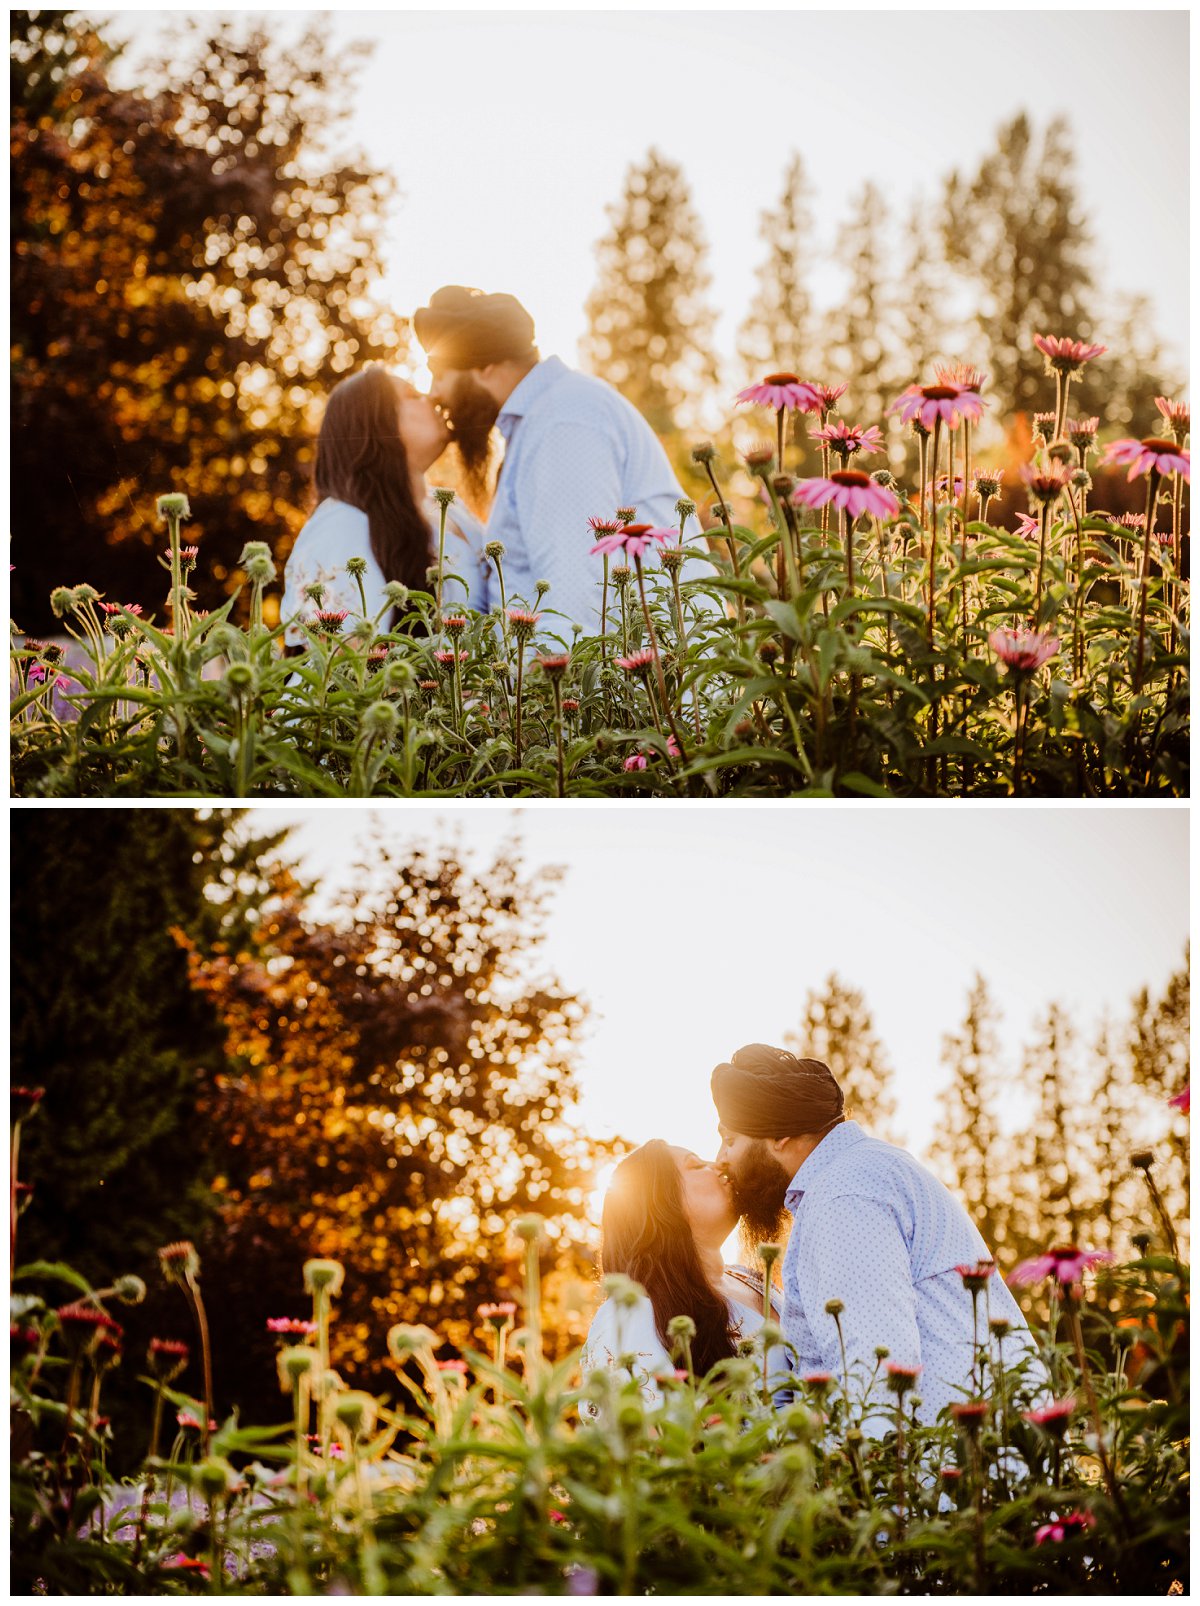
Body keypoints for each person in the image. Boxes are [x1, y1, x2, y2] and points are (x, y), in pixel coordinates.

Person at [712, 1044, 1041, 1435]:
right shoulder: (864, 1172)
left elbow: (876, 1381)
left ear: (779, 1134)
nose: (721, 1158)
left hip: (956, 1476)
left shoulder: (843, 1197)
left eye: (730, 1140)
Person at [413, 285, 704, 637]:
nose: (434, 393)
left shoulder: (561, 422)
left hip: (655, 682)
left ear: (484, 365)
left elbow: (576, 602)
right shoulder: (545, 417)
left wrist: (533, 686)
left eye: (440, 374)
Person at [580, 1140, 788, 1415]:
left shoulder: (749, 1279)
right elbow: (643, 1444)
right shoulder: (632, 1316)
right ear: (661, 1202)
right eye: (696, 1165)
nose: (719, 1165)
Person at [281, 365, 485, 644]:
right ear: (376, 424)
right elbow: (345, 661)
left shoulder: (450, 507)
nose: (433, 398)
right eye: (413, 395)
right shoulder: (341, 525)